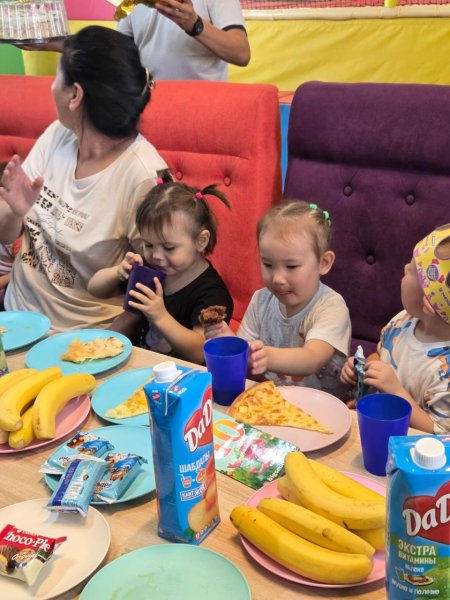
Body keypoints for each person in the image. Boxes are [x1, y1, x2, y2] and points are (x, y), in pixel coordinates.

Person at [0, 26, 167, 331]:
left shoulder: (143, 175)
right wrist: (13, 210)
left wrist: (101, 346)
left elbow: (157, 285)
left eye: (57, 76)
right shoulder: (58, 135)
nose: (52, 87)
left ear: (75, 95)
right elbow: (4, 234)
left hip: (79, 337)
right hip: (13, 319)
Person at [205, 201, 351, 397]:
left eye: (291, 266)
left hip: (324, 406)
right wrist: (228, 341)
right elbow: (248, 356)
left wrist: (267, 356)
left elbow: (312, 357)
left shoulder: (331, 306)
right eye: (268, 264)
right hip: (274, 402)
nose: (277, 279)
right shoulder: (260, 300)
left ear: (323, 263)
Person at [88, 170, 233, 364]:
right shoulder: (150, 270)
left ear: (201, 241)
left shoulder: (211, 293)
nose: (156, 256)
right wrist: (117, 272)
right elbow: (95, 289)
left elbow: (200, 352)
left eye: (168, 247)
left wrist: (160, 315)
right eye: (148, 245)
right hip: (139, 363)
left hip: (184, 376)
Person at [341, 224, 450, 434]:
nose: (405, 268)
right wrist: (363, 369)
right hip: (376, 427)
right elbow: (380, 355)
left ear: (429, 303)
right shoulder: (403, 321)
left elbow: (439, 433)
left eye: (413, 270)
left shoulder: (446, 373)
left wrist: (395, 390)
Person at [116, 0, 251, 81]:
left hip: (204, 106)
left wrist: (195, 24)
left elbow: (241, 53)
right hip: (151, 105)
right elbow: (121, 54)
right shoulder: (132, 3)